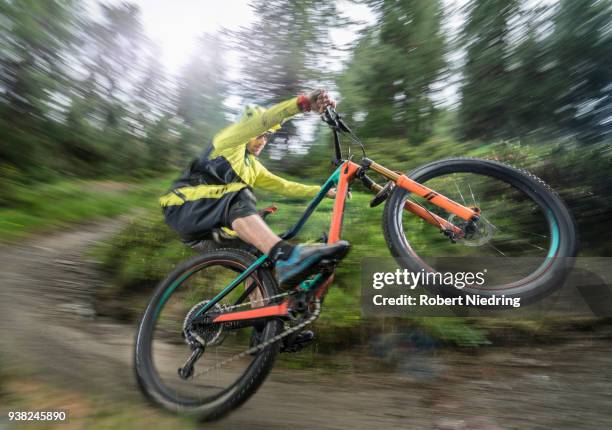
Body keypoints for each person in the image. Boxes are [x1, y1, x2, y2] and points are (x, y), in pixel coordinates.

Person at [160, 89, 350, 290]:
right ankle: (287, 256)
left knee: (257, 258)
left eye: (267, 137)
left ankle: (264, 316)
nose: (262, 141)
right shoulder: (228, 141)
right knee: (240, 194)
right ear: (246, 131)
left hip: (206, 231)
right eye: (258, 136)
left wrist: (325, 191)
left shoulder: (253, 167)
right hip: (181, 205)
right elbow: (264, 120)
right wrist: (302, 103)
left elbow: (285, 186)